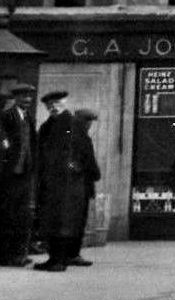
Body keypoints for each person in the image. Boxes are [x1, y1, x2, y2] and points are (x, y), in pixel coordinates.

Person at [34, 91, 99, 272]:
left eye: (56, 103)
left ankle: (59, 261)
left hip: (67, 183)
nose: (53, 107)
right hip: (51, 182)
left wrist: (73, 166)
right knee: (54, 220)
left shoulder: (72, 124)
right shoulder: (48, 126)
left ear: (64, 103)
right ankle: (55, 258)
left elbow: (83, 152)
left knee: (63, 221)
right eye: (49, 105)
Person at [0, 83, 36, 267]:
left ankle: (19, 254)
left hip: (25, 174)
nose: (27, 100)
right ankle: (6, 256)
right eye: (23, 96)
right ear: (16, 98)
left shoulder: (28, 117)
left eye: (29, 96)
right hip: (10, 174)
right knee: (9, 215)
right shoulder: (7, 116)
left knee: (23, 215)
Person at [65, 109, 102, 268]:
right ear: (83, 121)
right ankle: (72, 253)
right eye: (88, 121)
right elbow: (75, 161)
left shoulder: (75, 135)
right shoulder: (78, 137)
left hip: (80, 184)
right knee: (77, 221)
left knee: (76, 221)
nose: (90, 125)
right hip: (79, 185)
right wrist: (83, 171)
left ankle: (71, 253)